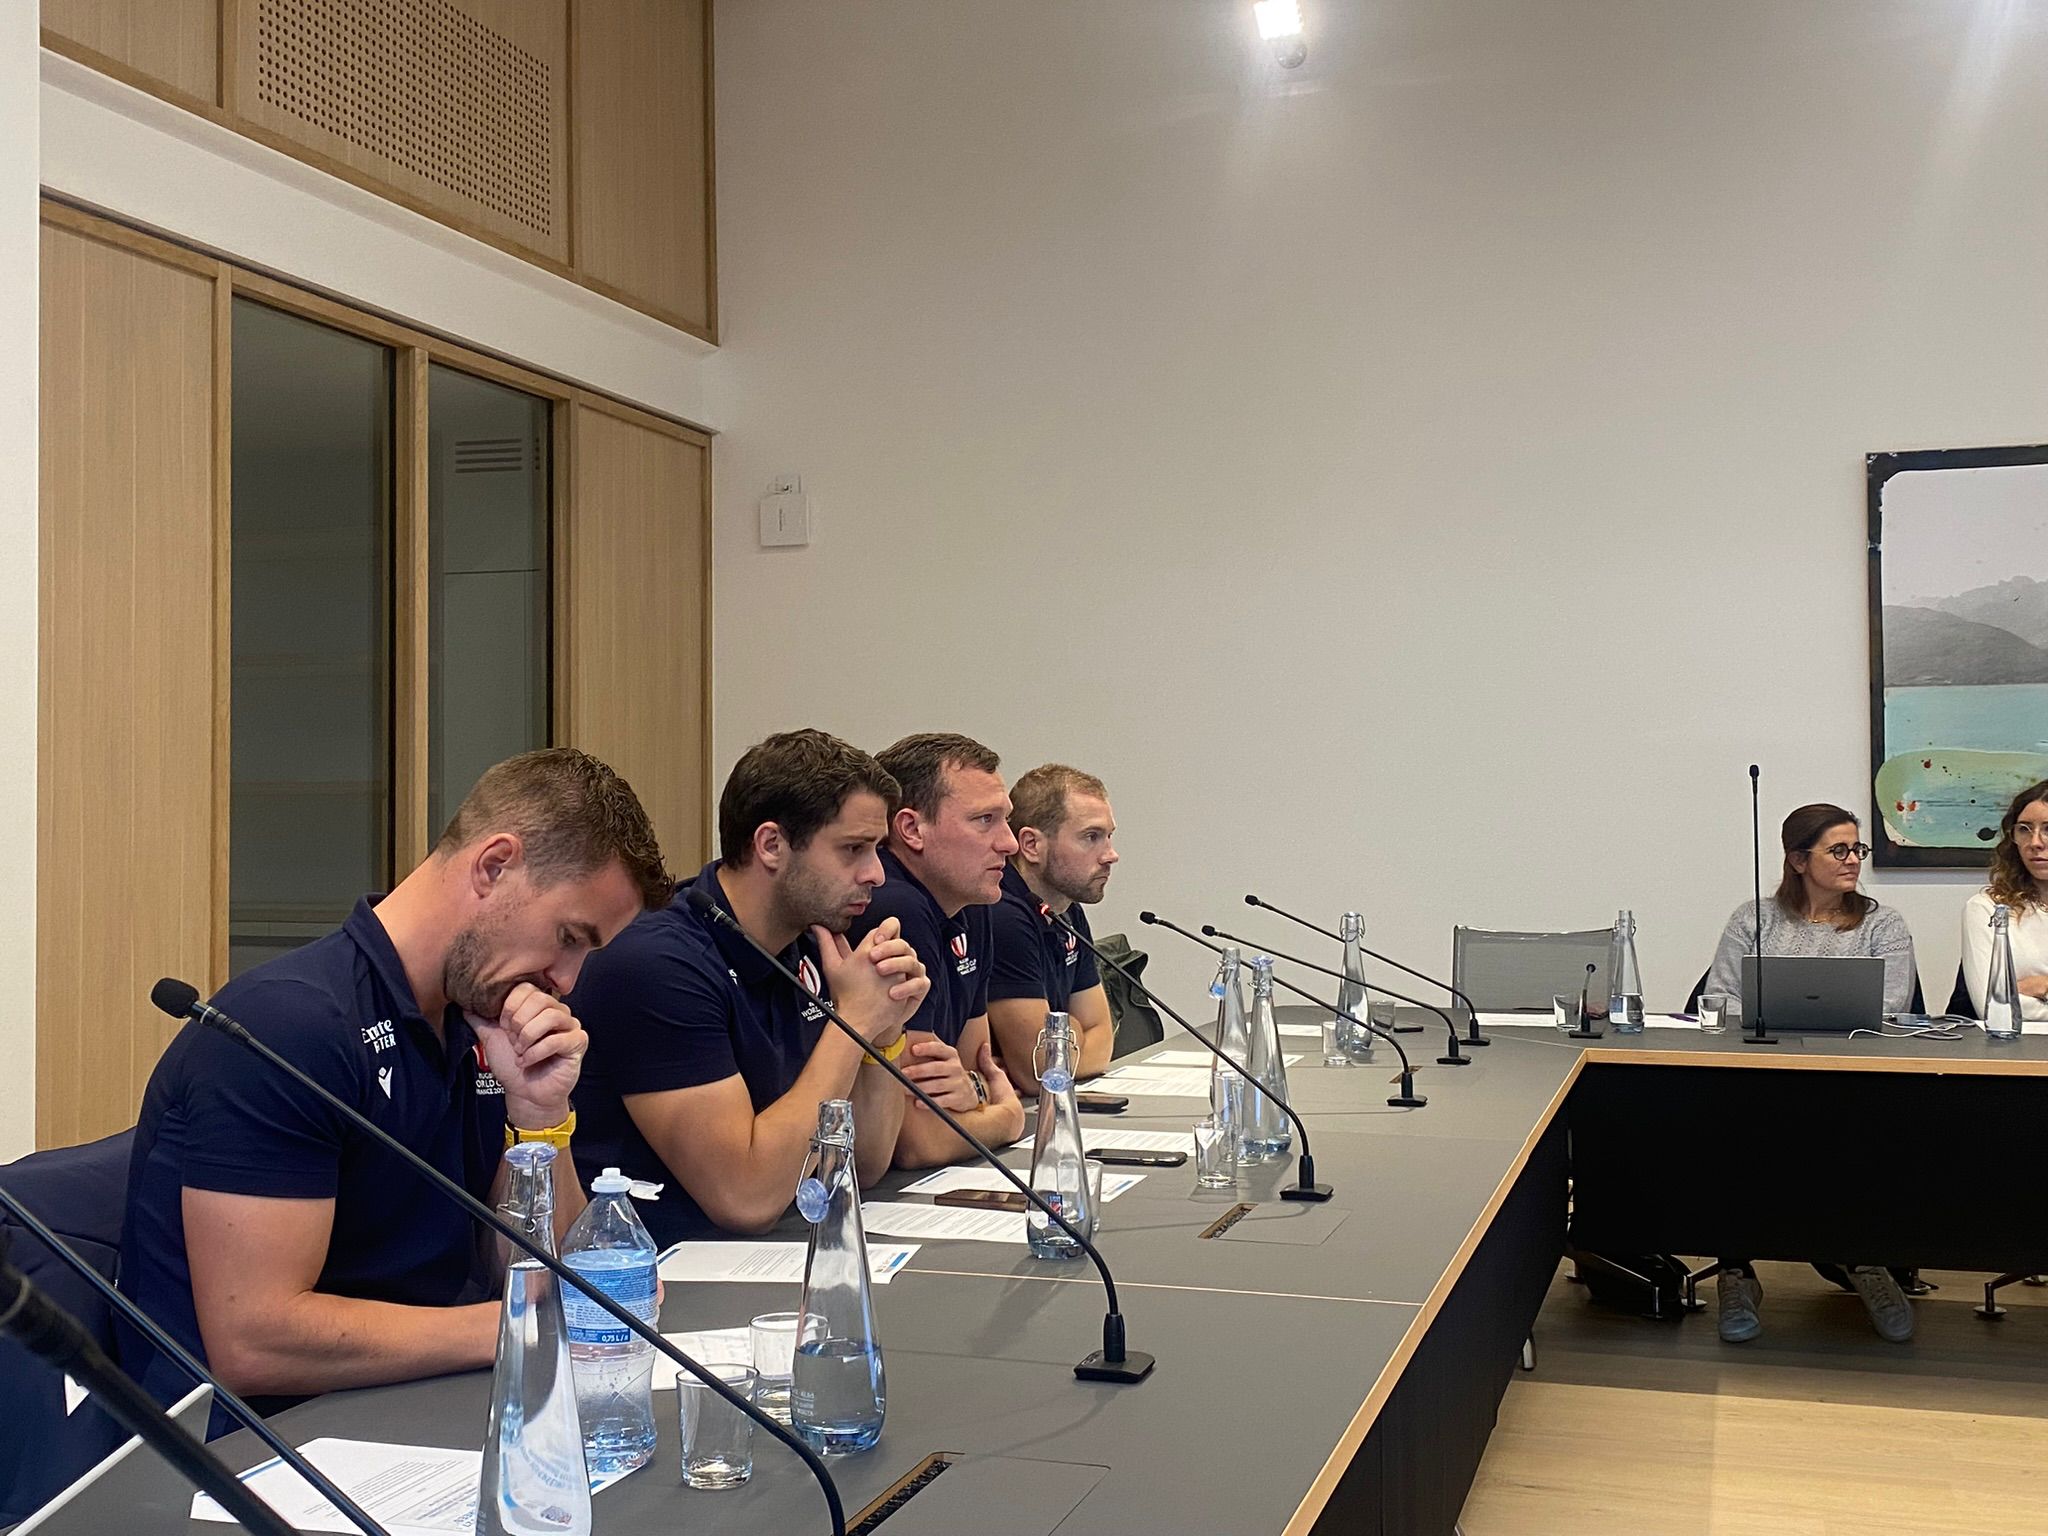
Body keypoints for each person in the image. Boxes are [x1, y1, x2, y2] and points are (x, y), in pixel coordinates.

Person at [121, 749, 670, 1416]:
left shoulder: (478, 1020)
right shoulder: (285, 1026)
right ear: (494, 866)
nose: (567, 981)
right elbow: (255, 1341)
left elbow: (542, 1274)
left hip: (427, 1408)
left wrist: (539, 1115)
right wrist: (516, 1325)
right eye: (568, 937)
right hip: (260, 1455)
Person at [567, 730, 929, 1246]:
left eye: (876, 850)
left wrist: (885, 1029)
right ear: (772, 845)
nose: (875, 874)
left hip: (765, 1251)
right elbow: (745, 1199)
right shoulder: (657, 962)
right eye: (853, 849)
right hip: (654, 1280)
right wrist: (855, 1026)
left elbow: (864, 1163)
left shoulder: (811, 942)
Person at [1703, 801, 1917, 1345]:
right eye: (1838, 850)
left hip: (1850, 1078)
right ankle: (1736, 1273)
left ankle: (1866, 1264)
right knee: (1727, 1127)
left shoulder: (1882, 923)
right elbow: (1718, 999)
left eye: (1857, 849)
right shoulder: (1752, 919)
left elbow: (1891, 1008)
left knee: (1858, 1133)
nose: (1853, 861)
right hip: (1762, 1074)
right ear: (1798, 859)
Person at [848, 734, 1027, 1165]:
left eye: (1005, 820)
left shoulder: (973, 898)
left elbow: (976, 1067)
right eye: (984, 820)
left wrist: (977, 1091)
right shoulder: (894, 904)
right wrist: (1008, 1118)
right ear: (911, 829)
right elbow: (916, 1139)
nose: (1009, 843)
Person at [986, 764, 1120, 1094]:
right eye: (1091, 837)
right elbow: (1040, 1070)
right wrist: (1072, 1028)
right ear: (1031, 845)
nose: (1111, 855)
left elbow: (1102, 1032)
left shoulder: (1066, 908)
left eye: (1109, 836)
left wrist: (1069, 1034)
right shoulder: (1003, 915)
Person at [1961, 779, 2048, 1024]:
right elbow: (1993, 1007)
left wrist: (2040, 988)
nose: (2035, 843)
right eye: (2024, 829)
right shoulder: (1987, 908)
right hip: (2011, 1050)